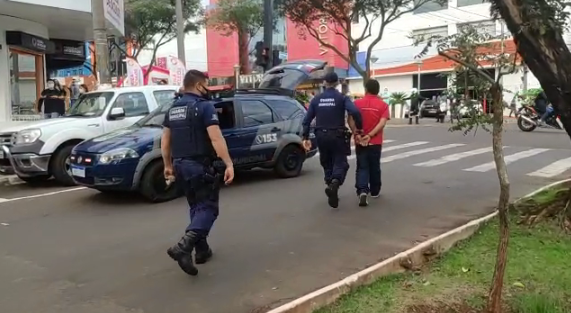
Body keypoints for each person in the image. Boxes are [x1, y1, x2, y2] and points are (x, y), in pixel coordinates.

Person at [161, 70, 235, 276]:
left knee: (196, 206)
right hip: (199, 165)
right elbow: (216, 138)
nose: (208, 89)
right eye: (207, 84)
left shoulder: (173, 109)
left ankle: (202, 251)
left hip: (180, 166)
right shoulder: (204, 107)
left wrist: (167, 165)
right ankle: (183, 247)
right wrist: (228, 163)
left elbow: (165, 141)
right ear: (198, 85)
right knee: (209, 209)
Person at [301, 72, 364, 209]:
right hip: (337, 135)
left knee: (326, 161)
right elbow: (355, 112)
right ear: (337, 83)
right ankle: (335, 182)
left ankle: (330, 184)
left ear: (324, 83)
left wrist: (305, 137)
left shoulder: (316, 99)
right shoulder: (342, 98)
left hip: (321, 135)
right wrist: (359, 128)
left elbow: (306, 120)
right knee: (341, 162)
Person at [352, 79, 390, 206]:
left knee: (362, 166)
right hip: (375, 142)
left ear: (366, 89)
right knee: (375, 167)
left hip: (360, 141)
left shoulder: (356, 103)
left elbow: (349, 119)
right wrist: (370, 135)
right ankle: (374, 191)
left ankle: (362, 191)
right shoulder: (383, 105)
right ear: (378, 90)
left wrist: (356, 133)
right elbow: (382, 122)